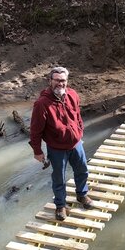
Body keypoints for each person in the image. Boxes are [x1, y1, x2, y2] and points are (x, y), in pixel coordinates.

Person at [29, 66, 93, 221]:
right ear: (50, 81)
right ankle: (60, 205)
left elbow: (77, 115)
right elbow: (35, 130)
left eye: (63, 80)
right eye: (57, 80)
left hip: (76, 144)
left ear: (67, 81)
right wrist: (37, 151)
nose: (60, 84)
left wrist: (79, 131)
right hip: (56, 148)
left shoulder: (72, 94)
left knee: (82, 170)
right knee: (59, 178)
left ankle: (82, 195)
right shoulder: (42, 104)